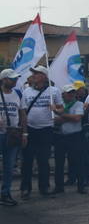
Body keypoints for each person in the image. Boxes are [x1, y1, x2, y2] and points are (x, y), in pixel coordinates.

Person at [20, 65, 62, 199]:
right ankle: (25, 188)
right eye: (33, 73)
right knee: (27, 160)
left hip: (46, 130)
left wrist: (55, 109)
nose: (33, 76)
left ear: (44, 76)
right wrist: (24, 132)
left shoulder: (54, 91)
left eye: (37, 73)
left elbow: (62, 110)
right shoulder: (26, 91)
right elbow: (23, 113)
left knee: (43, 160)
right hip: (30, 130)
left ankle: (44, 187)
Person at [52, 84, 86, 194]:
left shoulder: (79, 104)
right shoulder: (59, 105)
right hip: (60, 136)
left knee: (78, 161)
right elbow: (55, 121)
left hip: (74, 136)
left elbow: (77, 118)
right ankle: (59, 186)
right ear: (63, 95)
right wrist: (66, 116)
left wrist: (62, 114)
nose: (71, 95)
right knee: (59, 162)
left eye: (73, 92)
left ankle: (81, 186)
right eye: (69, 93)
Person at [0, 69, 27, 206]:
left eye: (16, 78)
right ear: (4, 79)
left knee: (9, 165)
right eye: (12, 79)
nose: (15, 81)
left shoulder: (18, 94)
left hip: (12, 134)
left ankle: (5, 193)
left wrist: (24, 133)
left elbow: (22, 114)